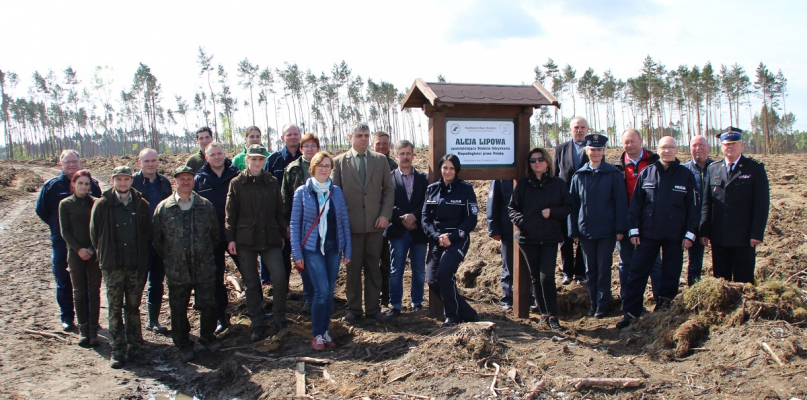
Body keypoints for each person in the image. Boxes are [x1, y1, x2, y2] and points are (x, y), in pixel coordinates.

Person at [618, 137, 699, 329]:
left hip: (675, 235)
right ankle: (631, 312)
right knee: (637, 272)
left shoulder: (686, 176)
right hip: (648, 234)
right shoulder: (647, 173)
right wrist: (634, 230)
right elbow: (636, 205)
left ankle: (664, 310)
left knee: (670, 273)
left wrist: (690, 234)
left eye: (671, 147)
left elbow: (693, 209)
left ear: (677, 150)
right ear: (658, 150)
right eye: (664, 147)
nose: (667, 151)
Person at [153, 166, 222, 362]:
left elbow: (214, 235)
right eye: (181, 179)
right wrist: (172, 257)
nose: (185, 182)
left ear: (193, 181)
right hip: (177, 268)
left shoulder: (205, 205)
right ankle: (183, 343)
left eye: (189, 179)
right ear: (174, 181)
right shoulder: (164, 208)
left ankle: (207, 337)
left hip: (203, 265)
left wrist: (203, 252)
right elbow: (158, 239)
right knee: (178, 307)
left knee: (208, 303)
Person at [331, 122, 394, 323]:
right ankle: (354, 310)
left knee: (373, 268)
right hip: (351, 227)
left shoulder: (380, 160)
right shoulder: (339, 162)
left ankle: (374, 309)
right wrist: (342, 222)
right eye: (359, 135)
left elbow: (388, 190)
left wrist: (385, 214)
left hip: (376, 225)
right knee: (353, 269)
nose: (364, 139)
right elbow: (335, 195)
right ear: (351, 137)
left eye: (366, 135)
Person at [90, 166, 151, 369]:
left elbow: (147, 234)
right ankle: (117, 350)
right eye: (119, 180)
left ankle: (136, 348)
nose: (123, 183)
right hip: (113, 266)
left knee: (133, 308)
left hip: (135, 266)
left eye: (126, 179)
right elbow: (95, 235)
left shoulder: (142, 205)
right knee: (114, 307)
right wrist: (105, 256)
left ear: (131, 181)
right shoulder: (103, 205)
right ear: (113, 180)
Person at [226, 144, 289, 341]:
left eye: (260, 159)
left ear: (264, 160)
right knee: (252, 284)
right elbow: (230, 214)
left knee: (279, 279)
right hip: (246, 240)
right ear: (246, 160)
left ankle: (279, 317)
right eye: (253, 159)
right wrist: (231, 239)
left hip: (270, 239)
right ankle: (257, 323)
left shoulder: (271, 182)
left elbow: (279, 210)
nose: (257, 162)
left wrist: (281, 233)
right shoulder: (237, 183)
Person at [290, 151, 352, 350]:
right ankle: (317, 334)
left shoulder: (337, 192)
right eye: (320, 165)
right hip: (312, 249)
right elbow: (294, 224)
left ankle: (325, 331)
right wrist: (297, 254)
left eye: (327, 166)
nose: (324, 169)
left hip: (333, 248)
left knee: (329, 291)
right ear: (313, 168)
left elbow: (343, 221)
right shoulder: (302, 192)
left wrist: (347, 250)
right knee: (321, 291)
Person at [36, 149, 101, 331]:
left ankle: (88, 318)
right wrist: (57, 227)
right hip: (62, 241)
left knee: (88, 281)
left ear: (80, 162)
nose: (71, 165)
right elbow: (42, 211)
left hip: (89, 243)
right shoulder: (51, 186)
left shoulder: (92, 184)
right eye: (67, 162)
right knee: (63, 278)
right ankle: (67, 317)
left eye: (74, 161)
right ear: (60, 164)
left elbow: (100, 212)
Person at [508, 148, 571, 331]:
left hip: (550, 237)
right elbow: (512, 208)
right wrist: (523, 222)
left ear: (547, 162)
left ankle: (553, 315)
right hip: (528, 238)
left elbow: (568, 206)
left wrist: (553, 212)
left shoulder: (558, 184)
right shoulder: (523, 185)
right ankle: (544, 314)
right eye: (533, 160)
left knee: (547, 277)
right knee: (535, 277)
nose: (537, 163)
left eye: (540, 159)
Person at [700, 127, 770, 283]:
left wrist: (756, 233)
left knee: (744, 281)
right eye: (726, 144)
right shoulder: (713, 169)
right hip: (719, 237)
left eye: (733, 143)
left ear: (742, 146)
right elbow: (707, 203)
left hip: (744, 238)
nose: (729, 147)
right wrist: (704, 231)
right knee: (720, 282)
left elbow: (761, 205)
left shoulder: (755, 168)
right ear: (721, 147)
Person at [569, 134, 627, 318]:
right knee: (589, 270)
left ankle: (603, 305)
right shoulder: (579, 176)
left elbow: (620, 202)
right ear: (587, 151)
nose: (595, 153)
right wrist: (574, 231)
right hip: (585, 231)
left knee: (603, 268)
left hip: (607, 231)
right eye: (592, 150)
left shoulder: (613, 174)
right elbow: (573, 205)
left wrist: (620, 228)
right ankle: (592, 304)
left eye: (599, 150)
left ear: (604, 151)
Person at [423, 154, 480, 327]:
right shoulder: (432, 189)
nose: (448, 171)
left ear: (457, 170)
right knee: (432, 279)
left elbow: (472, 219)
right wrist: (436, 236)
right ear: (440, 169)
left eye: (452, 168)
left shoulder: (465, 189)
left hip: (457, 239)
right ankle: (468, 313)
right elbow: (425, 219)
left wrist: (452, 237)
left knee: (444, 273)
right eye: (445, 168)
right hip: (437, 239)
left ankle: (452, 316)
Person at [194, 141, 242, 334]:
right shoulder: (200, 180)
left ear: (224, 154)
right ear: (206, 157)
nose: (216, 157)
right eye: (212, 154)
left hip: (236, 235)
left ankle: (258, 312)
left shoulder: (236, 175)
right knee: (216, 279)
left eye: (219, 153)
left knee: (249, 273)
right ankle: (222, 317)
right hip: (211, 238)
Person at [612, 129, 662, 300]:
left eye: (633, 141)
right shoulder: (616, 166)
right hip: (626, 219)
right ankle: (628, 300)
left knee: (654, 262)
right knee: (626, 262)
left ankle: (660, 300)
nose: (629, 145)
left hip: (650, 220)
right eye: (626, 142)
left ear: (641, 141)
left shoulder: (655, 161)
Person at [384, 140, 429, 318]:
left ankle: (417, 303)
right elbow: (386, 202)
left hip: (418, 231)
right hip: (397, 230)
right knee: (396, 270)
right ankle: (395, 305)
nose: (405, 157)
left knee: (419, 270)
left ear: (413, 155)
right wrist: (402, 217)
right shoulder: (388, 178)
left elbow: (427, 201)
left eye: (408, 153)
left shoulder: (424, 178)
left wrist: (414, 216)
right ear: (396, 156)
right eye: (401, 153)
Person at [131, 148, 173, 334]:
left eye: (153, 160)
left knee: (157, 280)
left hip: (160, 239)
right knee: (137, 281)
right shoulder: (132, 182)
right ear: (139, 162)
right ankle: (132, 322)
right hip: (139, 241)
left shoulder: (164, 182)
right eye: (146, 161)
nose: (150, 164)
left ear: (158, 162)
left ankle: (153, 320)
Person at [58, 169, 101, 347]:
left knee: (94, 291)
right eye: (80, 183)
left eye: (87, 184)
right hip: (75, 254)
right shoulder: (65, 204)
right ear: (73, 184)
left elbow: (100, 229)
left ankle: (93, 330)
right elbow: (65, 231)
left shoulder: (96, 203)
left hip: (94, 254)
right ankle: (83, 330)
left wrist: (91, 249)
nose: (83, 187)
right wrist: (78, 249)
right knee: (79, 292)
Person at [280, 133, 320, 311]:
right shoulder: (292, 169)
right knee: (304, 260)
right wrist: (287, 224)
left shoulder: (326, 165)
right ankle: (309, 297)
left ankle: (322, 296)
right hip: (301, 224)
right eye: (307, 146)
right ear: (301, 149)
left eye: (313, 146)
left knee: (322, 260)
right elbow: (285, 199)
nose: (310, 149)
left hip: (322, 222)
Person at [263, 123, 302, 287]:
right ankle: (282, 290)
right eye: (289, 134)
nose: (292, 137)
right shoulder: (274, 160)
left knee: (305, 254)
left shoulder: (308, 158)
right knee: (281, 254)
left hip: (304, 216)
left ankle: (310, 294)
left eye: (295, 134)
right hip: (280, 216)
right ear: (282, 138)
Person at [553, 117, 588, 285]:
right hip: (564, 201)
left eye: (582, 127)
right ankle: (567, 272)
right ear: (571, 130)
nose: (579, 130)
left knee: (583, 236)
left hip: (586, 201)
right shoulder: (561, 149)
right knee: (565, 237)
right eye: (576, 127)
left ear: (587, 130)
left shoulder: (594, 149)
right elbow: (554, 174)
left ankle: (581, 273)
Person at [682, 135, 715, 286]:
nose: (698, 148)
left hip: (715, 221)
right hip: (693, 223)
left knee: (720, 260)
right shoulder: (684, 171)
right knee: (694, 263)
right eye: (694, 146)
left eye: (701, 145)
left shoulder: (717, 168)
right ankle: (693, 290)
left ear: (708, 147)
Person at [373, 131, 398, 309]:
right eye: (378, 143)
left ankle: (386, 297)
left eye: (385, 143)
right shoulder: (368, 162)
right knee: (371, 262)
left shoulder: (393, 166)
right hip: (369, 219)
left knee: (387, 261)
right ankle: (372, 297)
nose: (382, 146)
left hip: (388, 219)